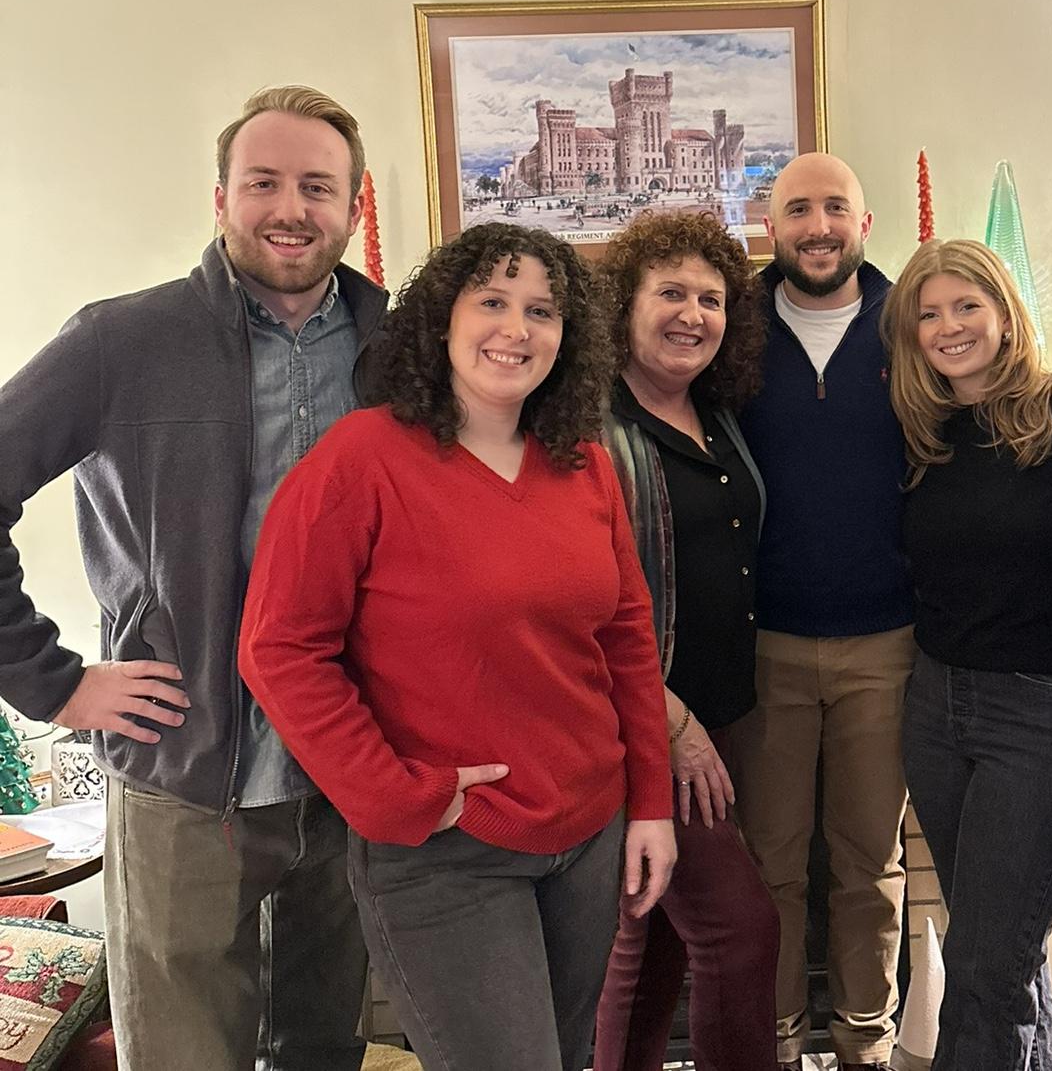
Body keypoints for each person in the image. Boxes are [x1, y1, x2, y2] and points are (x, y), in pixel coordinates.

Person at [0, 85, 379, 1071]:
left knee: (327, 1049)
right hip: (186, 781)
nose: (290, 209)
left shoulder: (404, 351)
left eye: (316, 186)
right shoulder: (121, 341)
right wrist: (53, 682)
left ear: (354, 205)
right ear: (221, 198)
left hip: (352, 781)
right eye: (263, 182)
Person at [239, 222, 676, 1071]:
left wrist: (649, 803)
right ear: (444, 319)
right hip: (446, 850)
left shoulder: (583, 464)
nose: (517, 329)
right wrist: (390, 795)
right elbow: (277, 649)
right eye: (493, 302)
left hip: (589, 836)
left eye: (542, 311)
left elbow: (625, 637)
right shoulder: (360, 459)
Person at [734, 152, 1052, 1070]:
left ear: (865, 223)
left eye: (837, 207)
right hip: (775, 646)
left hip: (902, 651)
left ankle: (867, 1047)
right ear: (770, 226)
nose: (818, 225)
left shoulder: (907, 323)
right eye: (798, 208)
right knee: (772, 866)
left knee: (882, 873)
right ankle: (777, 1044)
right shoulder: (731, 329)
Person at [883, 238, 1052, 1071]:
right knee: (1002, 950)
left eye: (966, 306)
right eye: (928, 314)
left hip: (1047, 714)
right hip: (935, 708)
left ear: (1005, 314)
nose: (949, 327)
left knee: (982, 970)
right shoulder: (919, 437)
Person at [591, 210, 780, 1071]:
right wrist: (672, 724)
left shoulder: (716, 411)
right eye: (670, 292)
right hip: (646, 726)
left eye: (711, 298)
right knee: (739, 932)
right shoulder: (590, 429)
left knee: (652, 938)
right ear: (624, 306)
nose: (692, 314)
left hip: (721, 711)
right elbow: (584, 607)